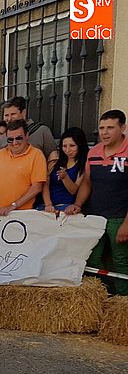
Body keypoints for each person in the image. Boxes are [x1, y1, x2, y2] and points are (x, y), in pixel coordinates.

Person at [66, 109, 128, 295]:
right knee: (92, 259)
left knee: (121, 260)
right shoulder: (94, 152)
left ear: (122, 127)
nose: (105, 132)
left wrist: (126, 224)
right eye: (102, 128)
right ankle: (102, 295)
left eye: (110, 127)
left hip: (119, 217)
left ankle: (123, 300)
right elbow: (87, 182)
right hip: (95, 216)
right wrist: (78, 204)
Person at [0, 120, 46, 216]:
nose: (14, 143)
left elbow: (37, 187)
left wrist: (12, 206)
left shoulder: (37, 155)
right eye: (10, 139)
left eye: (19, 138)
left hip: (20, 216)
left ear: (27, 136)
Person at [0, 96, 57, 163]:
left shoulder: (42, 132)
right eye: (6, 115)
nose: (9, 118)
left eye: (13, 114)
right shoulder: (1, 139)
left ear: (23, 113)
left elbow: (53, 157)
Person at [39, 127, 88, 212]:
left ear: (80, 145)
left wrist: (65, 178)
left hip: (67, 207)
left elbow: (73, 190)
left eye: (72, 146)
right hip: (46, 205)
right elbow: (45, 182)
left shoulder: (83, 163)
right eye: (64, 146)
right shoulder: (55, 157)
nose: (68, 150)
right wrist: (48, 204)